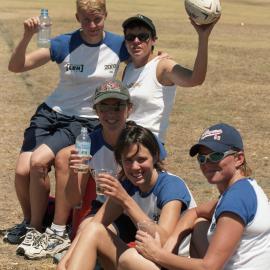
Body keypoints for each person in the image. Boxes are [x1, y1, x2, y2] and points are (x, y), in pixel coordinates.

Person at [4, 0, 129, 257]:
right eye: (85, 20)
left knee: (39, 162)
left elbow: (145, 56)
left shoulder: (118, 45)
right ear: (77, 17)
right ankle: (30, 223)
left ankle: (38, 229)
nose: (92, 25)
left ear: (105, 16)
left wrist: (161, 58)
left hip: (82, 121)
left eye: (97, 19)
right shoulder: (64, 43)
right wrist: (27, 36)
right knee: (21, 170)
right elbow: (16, 66)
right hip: (50, 114)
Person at [117, 123, 270, 270]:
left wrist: (158, 255)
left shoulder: (236, 199)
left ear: (239, 159)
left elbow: (209, 267)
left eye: (216, 156)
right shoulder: (244, 188)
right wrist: (169, 247)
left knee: (128, 260)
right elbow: (194, 212)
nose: (207, 163)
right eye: (201, 158)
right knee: (200, 224)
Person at [57, 118, 196, 269]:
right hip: (149, 258)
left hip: (176, 263)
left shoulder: (170, 186)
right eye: (128, 160)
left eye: (141, 159)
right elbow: (94, 226)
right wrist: (65, 262)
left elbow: (164, 242)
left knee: (129, 258)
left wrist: (126, 201)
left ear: (155, 156)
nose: (135, 167)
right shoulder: (128, 185)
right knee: (93, 228)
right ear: (120, 161)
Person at [122, 14, 219, 143]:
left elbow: (196, 79)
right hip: (125, 142)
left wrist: (203, 37)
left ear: (153, 40)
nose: (136, 41)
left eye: (143, 36)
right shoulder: (128, 68)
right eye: (130, 37)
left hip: (149, 145)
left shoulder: (162, 66)